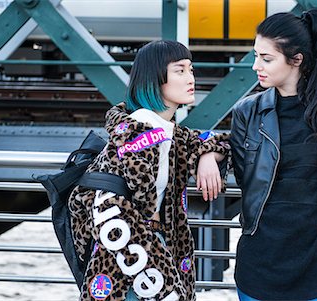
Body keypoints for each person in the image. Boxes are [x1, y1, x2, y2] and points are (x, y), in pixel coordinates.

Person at [68, 40, 230, 301]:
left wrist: (209, 155)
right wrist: (162, 286)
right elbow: (110, 209)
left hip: (148, 259)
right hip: (130, 268)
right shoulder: (139, 133)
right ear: (154, 78)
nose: (190, 78)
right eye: (180, 70)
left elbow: (217, 140)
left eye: (191, 69)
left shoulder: (165, 131)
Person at [230, 9, 317, 301]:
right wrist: (205, 155)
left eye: (266, 59)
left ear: (297, 60)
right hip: (261, 260)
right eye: (256, 56)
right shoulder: (247, 113)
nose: (256, 66)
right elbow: (245, 178)